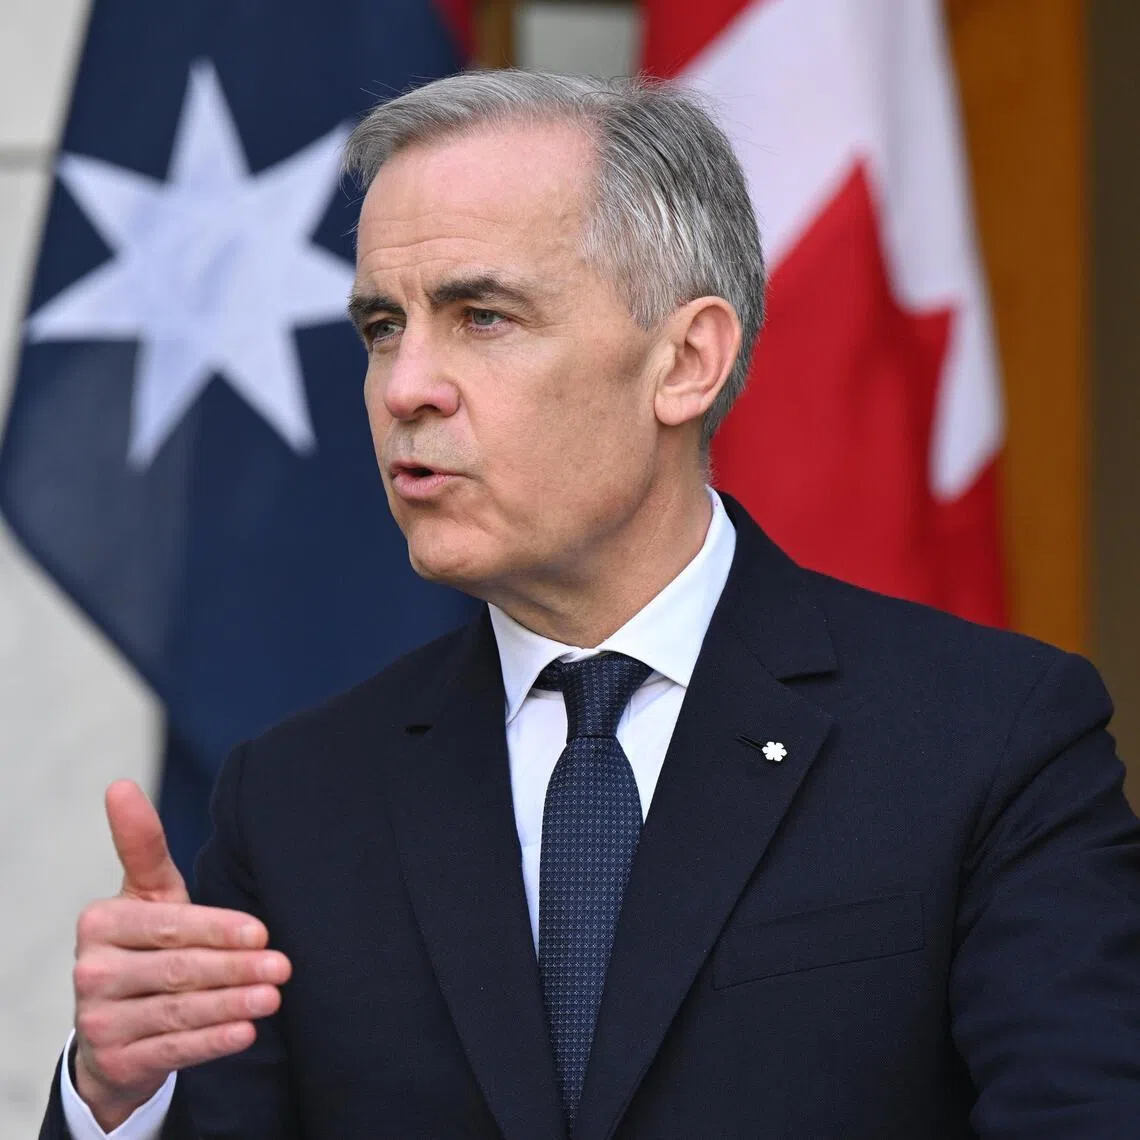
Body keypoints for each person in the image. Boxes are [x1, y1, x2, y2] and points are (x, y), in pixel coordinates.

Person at [40, 70, 1140, 1139]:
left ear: (686, 362)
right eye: (383, 326)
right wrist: (119, 1096)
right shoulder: (294, 801)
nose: (405, 385)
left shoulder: (986, 739)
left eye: (482, 316)